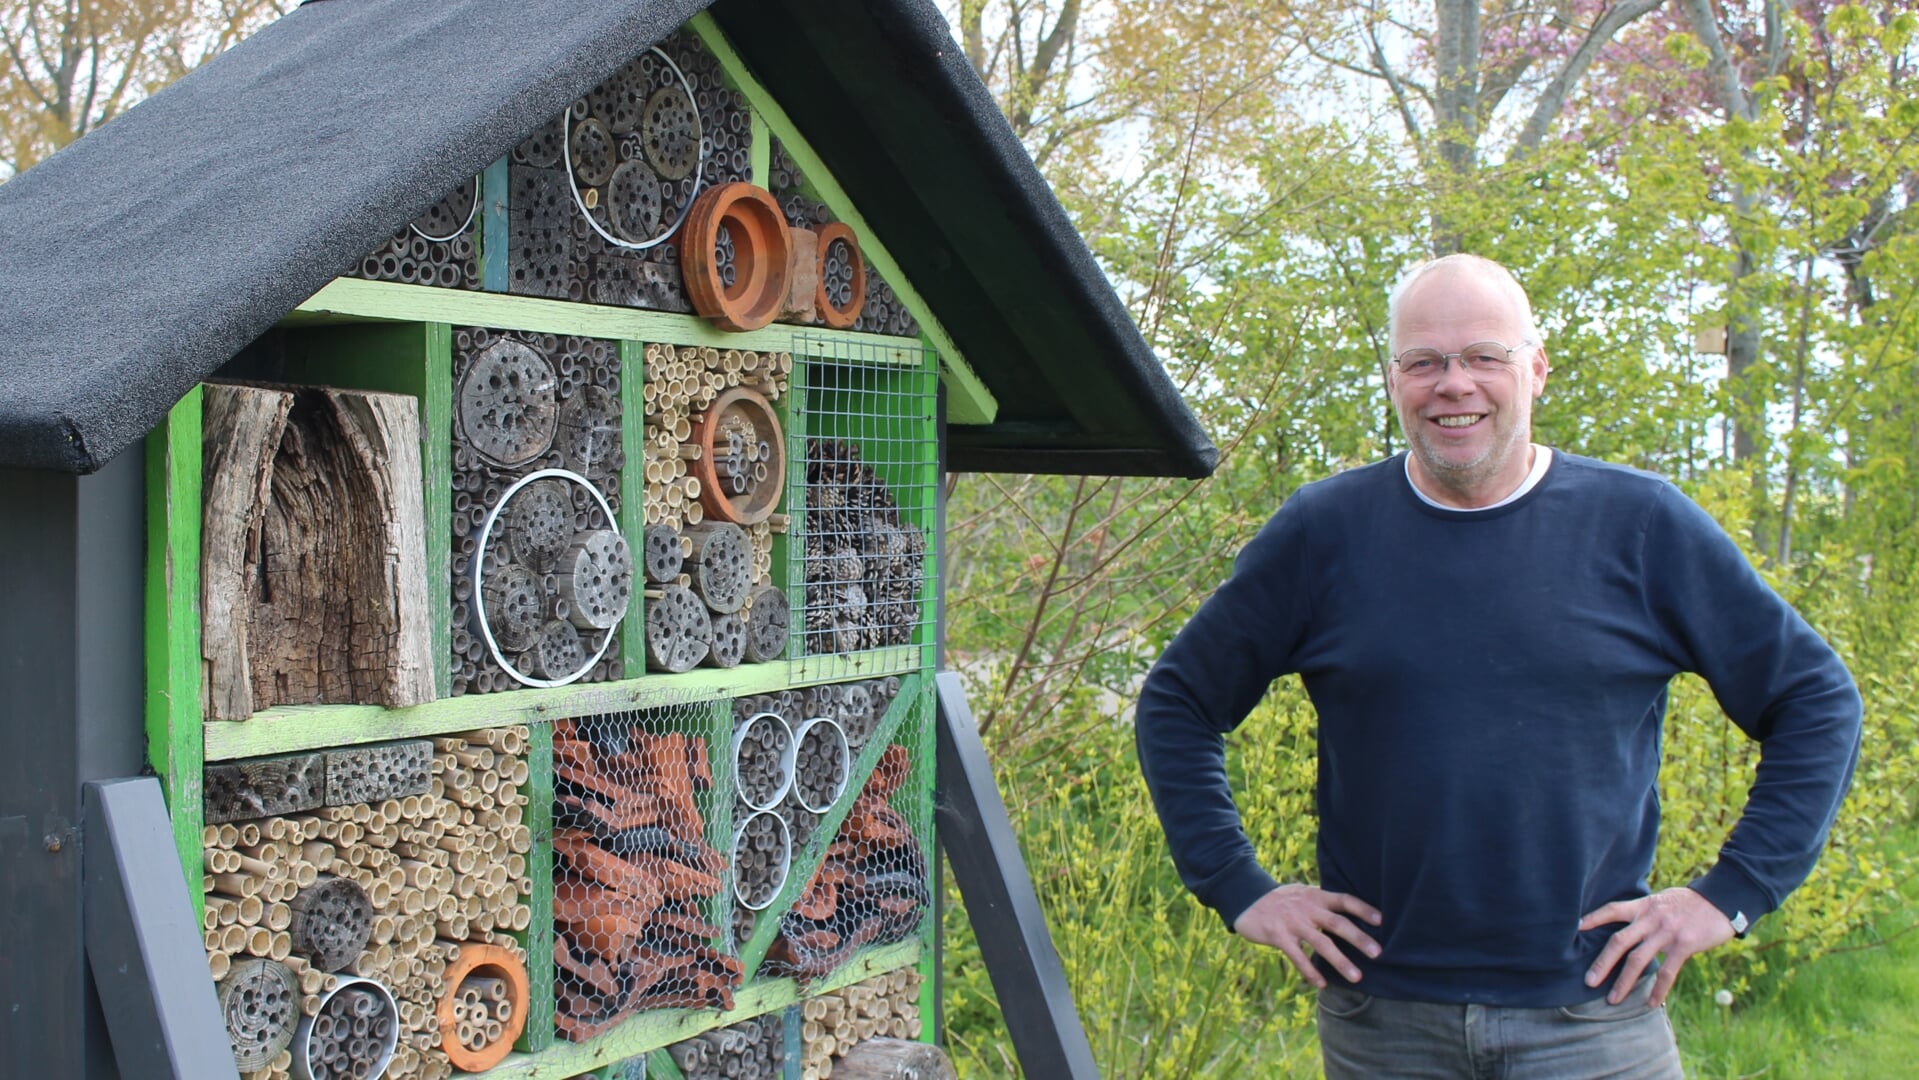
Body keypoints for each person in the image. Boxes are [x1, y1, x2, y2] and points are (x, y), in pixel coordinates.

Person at [1134, 254, 1862, 1078]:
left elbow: (1814, 701)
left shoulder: (1640, 526)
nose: (1454, 384)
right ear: (1393, 380)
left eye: (1484, 356)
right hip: (1384, 1026)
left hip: (1593, 1016)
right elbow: (1178, 702)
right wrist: (1237, 885)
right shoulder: (1323, 534)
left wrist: (1730, 893)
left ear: (1536, 370)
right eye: (1424, 362)